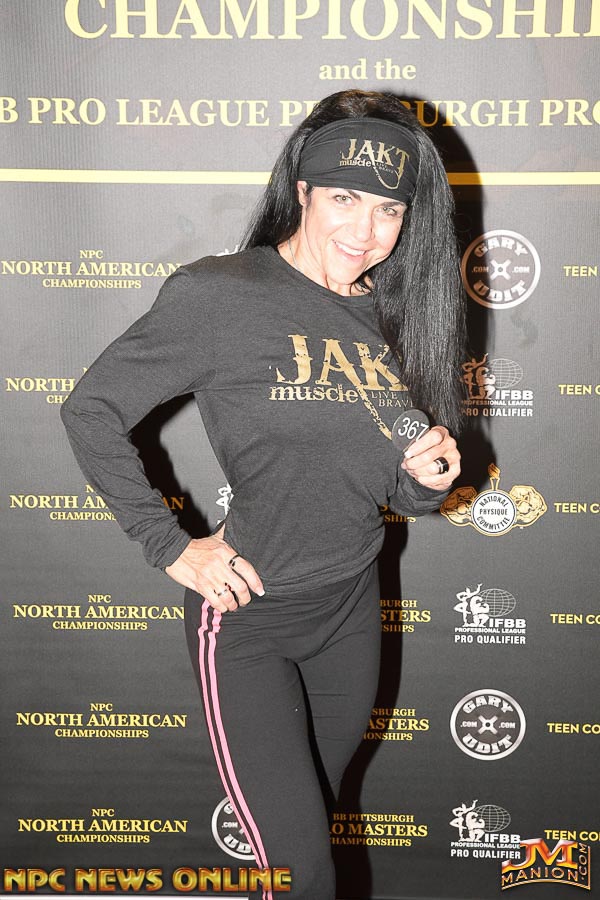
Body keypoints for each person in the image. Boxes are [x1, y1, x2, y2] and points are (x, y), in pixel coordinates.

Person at [61, 89, 465, 899]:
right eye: (345, 198)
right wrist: (170, 546)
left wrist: (425, 481)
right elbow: (90, 410)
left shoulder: (394, 313)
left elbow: (389, 484)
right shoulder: (222, 294)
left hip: (351, 611)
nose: (365, 231)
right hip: (250, 621)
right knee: (303, 870)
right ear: (303, 190)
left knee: (307, 834)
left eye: (389, 210)